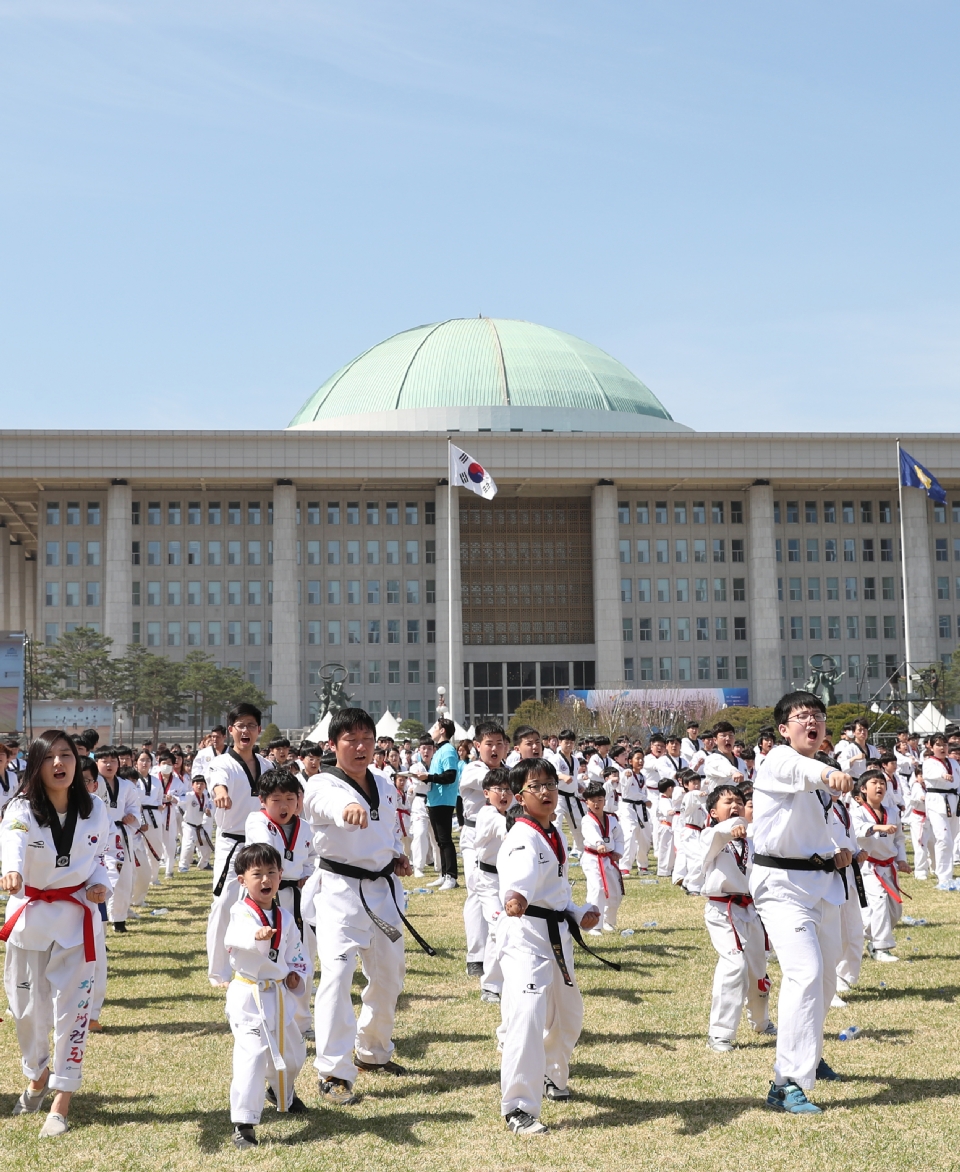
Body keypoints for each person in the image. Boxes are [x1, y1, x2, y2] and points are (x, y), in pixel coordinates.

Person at [302, 708, 417, 1107]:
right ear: (332, 746)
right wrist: (345, 811)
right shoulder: (320, 784)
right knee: (336, 976)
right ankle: (333, 1070)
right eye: (350, 739)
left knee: (389, 976)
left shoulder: (383, 784)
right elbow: (327, 806)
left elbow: (387, 830)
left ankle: (372, 1051)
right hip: (340, 891)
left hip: (383, 891)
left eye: (367, 737)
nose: (361, 745)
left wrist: (397, 856)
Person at [0, 730, 110, 1137]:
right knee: (26, 1013)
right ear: (36, 764)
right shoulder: (22, 808)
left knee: (73, 1014)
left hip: (76, 922)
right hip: (30, 918)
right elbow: (11, 837)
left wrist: (102, 883)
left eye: (67, 755)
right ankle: (37, 1073)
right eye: (50, 758)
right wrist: (10, 869)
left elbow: (104, 856)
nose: (60, 764)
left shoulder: (95, 808)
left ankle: (62, 1098)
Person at [750, 690, 854, 1115]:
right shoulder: (777, 759)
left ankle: (808, 1056)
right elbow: (802, 768)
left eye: (818, 716)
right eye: (802, 716)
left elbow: (821, 825)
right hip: (782, 885)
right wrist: (829, 774)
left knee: (827, 980)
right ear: (782, 728)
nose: (812, 722)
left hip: (821, 882)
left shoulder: (816, 777)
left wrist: (840, 847)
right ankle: (786, 1081)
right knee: (805, 974)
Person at [497, 757, 601, 1135]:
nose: (545, 792)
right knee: (526, 1017)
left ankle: (552, 1075)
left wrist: (578, 912)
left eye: (550, 785)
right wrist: (516, 896)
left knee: (569, 1014)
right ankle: (518, 1106)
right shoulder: (521, 836)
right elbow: (519, 879)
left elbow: (555, 893)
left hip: (554, 934)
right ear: (520, 797)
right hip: (525, 935)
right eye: (535, 786)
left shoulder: (551, 832)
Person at [225, 842, 309, 1149]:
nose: (265, 880)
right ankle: (244, 1123)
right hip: (248, 995)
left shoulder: (286, 917)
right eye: (257, 874)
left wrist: (295, 974)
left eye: (271, 873)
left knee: (293, 1054)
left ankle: (281, 1092)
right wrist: (255, 936)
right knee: (252, 1055)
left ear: (280, 875)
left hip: (278, 995)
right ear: (242, 881)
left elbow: (297, 954)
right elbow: (233, 937)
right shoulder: (240, 911)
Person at [693, 784, 774, 1051]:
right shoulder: (710, 836)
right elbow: (718, 835)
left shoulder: (752, 840)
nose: (735, 805)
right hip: (722, 910)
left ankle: (761, 1022)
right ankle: (720, 1033)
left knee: (757, 970)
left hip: (751, 910)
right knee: (734, 965)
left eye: (739, 801)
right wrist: (731, 828)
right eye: (728, 802)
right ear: (714, 812)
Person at [207, 704, 274, 987]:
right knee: (224, 904)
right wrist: (220, 792)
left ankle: (262, 961)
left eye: (251, 725)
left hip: (261, 842)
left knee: (264, 901)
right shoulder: (221, 763)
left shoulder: (267, 765)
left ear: (259, 730)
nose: (245, 731)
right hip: (232, 842)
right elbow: (217, 782)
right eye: (240, 725)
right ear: (231, 730)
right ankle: (218, 972)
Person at [245, 767, 317, 1031]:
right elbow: (265, 854)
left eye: (290, 799)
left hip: (298, 898)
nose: (285, 805)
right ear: (263, 801)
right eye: (276, 800)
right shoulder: (257, 821)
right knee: (268, 956)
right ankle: (266, 1018)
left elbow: (313, 858)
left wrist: (307, 876)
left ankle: (301, 1021)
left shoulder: (306, 827)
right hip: (267, 898)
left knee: (302, 957)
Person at [458, 721, 510, 978]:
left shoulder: (508, 770)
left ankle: (502, 945)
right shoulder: (472, 769)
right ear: (477, 746)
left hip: (504, 838)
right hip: (474, 838)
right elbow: (490, 780)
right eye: (489, 743)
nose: (494, 748)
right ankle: (476, 956)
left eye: (499, 743)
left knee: (503, 890)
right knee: (476, 891)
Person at [851, 769, 909, 962]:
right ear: (863, 789)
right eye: (874, 783)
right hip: (869, 867)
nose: (879, 787)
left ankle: (864, 935)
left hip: (888, 866)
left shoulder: (892, 812)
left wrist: (902, 860)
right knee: (879, 903)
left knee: (894, 910)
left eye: (882, 783)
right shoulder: (857, 812)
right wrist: (876, 827)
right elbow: (857, 832)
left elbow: (899, 839)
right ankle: (881, 947)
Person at [472, 766, 514, 1003]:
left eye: (509, 789)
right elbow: (504, 829)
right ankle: (490, 986)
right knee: (498, 926)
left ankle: (504, 979)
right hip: (488, 881)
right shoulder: (488, 815)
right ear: (487, 793)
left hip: (507, 878)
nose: (504, 794)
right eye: (499, 789)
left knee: (509, 927)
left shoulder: (511, 811)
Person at [95, 746, 143, 933]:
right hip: (99, 835)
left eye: (113, 761)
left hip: (121, 833)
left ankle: (119, 918)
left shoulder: (126, 785)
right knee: (103, 877)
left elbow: (134, 806)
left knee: (124, 876)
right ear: (96, 763)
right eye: (104, 761)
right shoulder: (93, 784)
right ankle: (100, 926)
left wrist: (132, 816)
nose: (109, 764)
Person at [580, 781, 624, 934]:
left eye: (600, 800)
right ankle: (593, 925)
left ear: (605, 800)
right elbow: (590, 833)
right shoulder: (587, 820)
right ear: (587, 802)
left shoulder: (611, 820)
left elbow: (619, 837)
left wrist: (618, 851)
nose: (597, 803)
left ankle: (609, 921)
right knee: (597, 889)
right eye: (593, 800)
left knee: (615, 892)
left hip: (608, 858)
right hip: (592, 858)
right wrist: (598, 843)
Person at [426, 718, 460, 890]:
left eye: (434, 726)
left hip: (444, 801)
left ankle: (452, 877)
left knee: (445, 840)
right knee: (440, 840)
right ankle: (445, 874)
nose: (431, 729)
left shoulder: (448, 750)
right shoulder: (439, 750)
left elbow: (450, 776)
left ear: (442, 731)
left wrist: (428, 777)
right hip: (435, 800)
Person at [921, 734, 959, 890]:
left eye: (944, 744)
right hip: (936, 801)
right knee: (943, 839)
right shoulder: (929, 762)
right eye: (938, 745)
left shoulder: (952, 762)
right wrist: (942, 776)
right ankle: (943, 877)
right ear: (930, 747)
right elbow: (928, 775)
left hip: (954, 800)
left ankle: (945, 872)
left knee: (952, 838)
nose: (942, 748)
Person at [547, 729, 585, 854]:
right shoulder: (555, 758)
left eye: (571, 742)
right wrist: (562, 776)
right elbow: (552, 774)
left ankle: (579, 850)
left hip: (573, 796)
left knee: (578, 824)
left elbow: (573, 776)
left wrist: (578, 785)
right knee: (556, 824)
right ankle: (554, 850)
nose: (569, 745)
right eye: (566, 742)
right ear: (560, 742)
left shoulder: (575, 759)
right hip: (559, 796)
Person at [672, 769, 707, 891]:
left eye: (698, 782)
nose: (697, 785)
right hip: (690, 831)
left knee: (701, 858)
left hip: (698, 832)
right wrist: (698, 793)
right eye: (693, 783)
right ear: (686, 785)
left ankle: (687, 882)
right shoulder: (689, 796)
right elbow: (692, 796)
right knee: (697, 859)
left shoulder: (699, 798)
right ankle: (694, 887)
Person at [179, 776, 214, 871]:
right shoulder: (190, 795)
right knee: (188, 846)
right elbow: (179, 800)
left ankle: (203, 864)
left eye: (202, 784)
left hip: (199, 826)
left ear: (205, 786)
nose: (199, 786)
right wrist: (171, 799)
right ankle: (183, 866)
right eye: (197, 783)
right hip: (189, 825)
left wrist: (208, 812)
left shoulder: (206, 797)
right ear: (192, 785)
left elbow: (211, 810)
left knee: (207, 847)